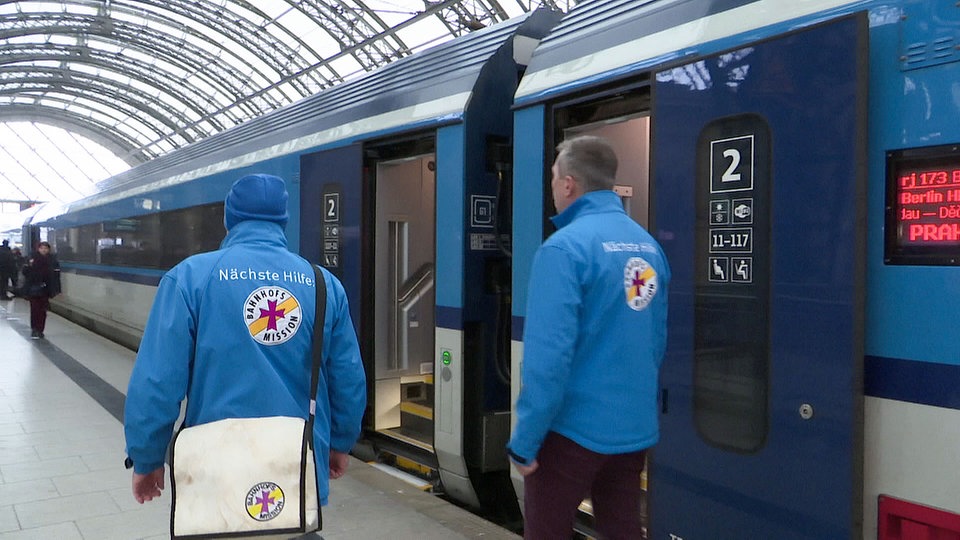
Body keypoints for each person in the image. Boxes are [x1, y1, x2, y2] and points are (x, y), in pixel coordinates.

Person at [123, 174, 367, 530]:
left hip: (215, 466)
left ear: (229, 217)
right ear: (284, 220)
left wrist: (147, 459)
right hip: (297, 460)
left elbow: (157, 381)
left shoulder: (190, 278)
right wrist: (340, 443)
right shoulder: (323, 284)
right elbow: (348, 377)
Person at [506, 136, 671, 539]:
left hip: (570, 434)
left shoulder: (563, 249)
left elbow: (549, 360)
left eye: (552, 178)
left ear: (568, 184)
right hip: (632, 430)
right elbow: (656, 342)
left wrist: (525, 441)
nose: (552, 187)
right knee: (623, 528)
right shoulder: (648, 247)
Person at [21, 241, 61, 338]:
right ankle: (35, 329)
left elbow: (56, 276)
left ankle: (40, 329)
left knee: (43, 311)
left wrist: (57, 289)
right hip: (33, 289)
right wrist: (30, 266)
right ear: (38, 249)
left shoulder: (53, 260)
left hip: (45, 289)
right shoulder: (31, 259)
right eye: (42, 248)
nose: (44, 250)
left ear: (48, 250)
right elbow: (24, 272)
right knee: (35, 310)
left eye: (46, 248)